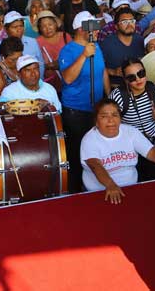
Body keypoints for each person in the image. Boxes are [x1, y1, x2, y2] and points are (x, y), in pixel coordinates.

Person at [80, 99, 155, 204]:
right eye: (104, 116)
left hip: (130, 189)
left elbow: (152, 153)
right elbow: (96, 166)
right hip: (99, 193)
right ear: (96, 121)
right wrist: (111, 185)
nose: (111, 120)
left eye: (115, 115)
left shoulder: (131, 132)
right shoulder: (89, 139)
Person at [59, 11, 110, 193]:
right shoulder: (68, 50)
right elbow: (68, 78)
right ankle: (76, 190)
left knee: (96, 149)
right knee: (78, 152)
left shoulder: (96, 46)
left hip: (96, 108)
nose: (97, 30)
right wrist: (84, 55)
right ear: (82, 29)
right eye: (93, 26)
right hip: (76, 111)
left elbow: (102, 71)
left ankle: (95, 183)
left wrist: (109, 95)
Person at [0, 11, 44, 77]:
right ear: (5, 29)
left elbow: (41, 65)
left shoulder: (33, 42)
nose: (19, 30)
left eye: (21, 26)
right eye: (15, 27)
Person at [100, 7, 145, 88]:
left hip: (139, 86)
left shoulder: (141, 40)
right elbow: (97, 68)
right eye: (125, 22)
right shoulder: (106, 44)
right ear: (116, 26)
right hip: (116, 87)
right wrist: (113, 72)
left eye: (132, 21)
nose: (129, 24)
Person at [34, 10, 69, 92]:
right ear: (40, 28)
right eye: (43, 26)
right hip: (48, 84)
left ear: (56, 24)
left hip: (68, 80)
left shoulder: (65, 36)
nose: (48, 28)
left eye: (50, 24)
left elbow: (74, 56)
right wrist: (48, 66)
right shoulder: (36, 42)